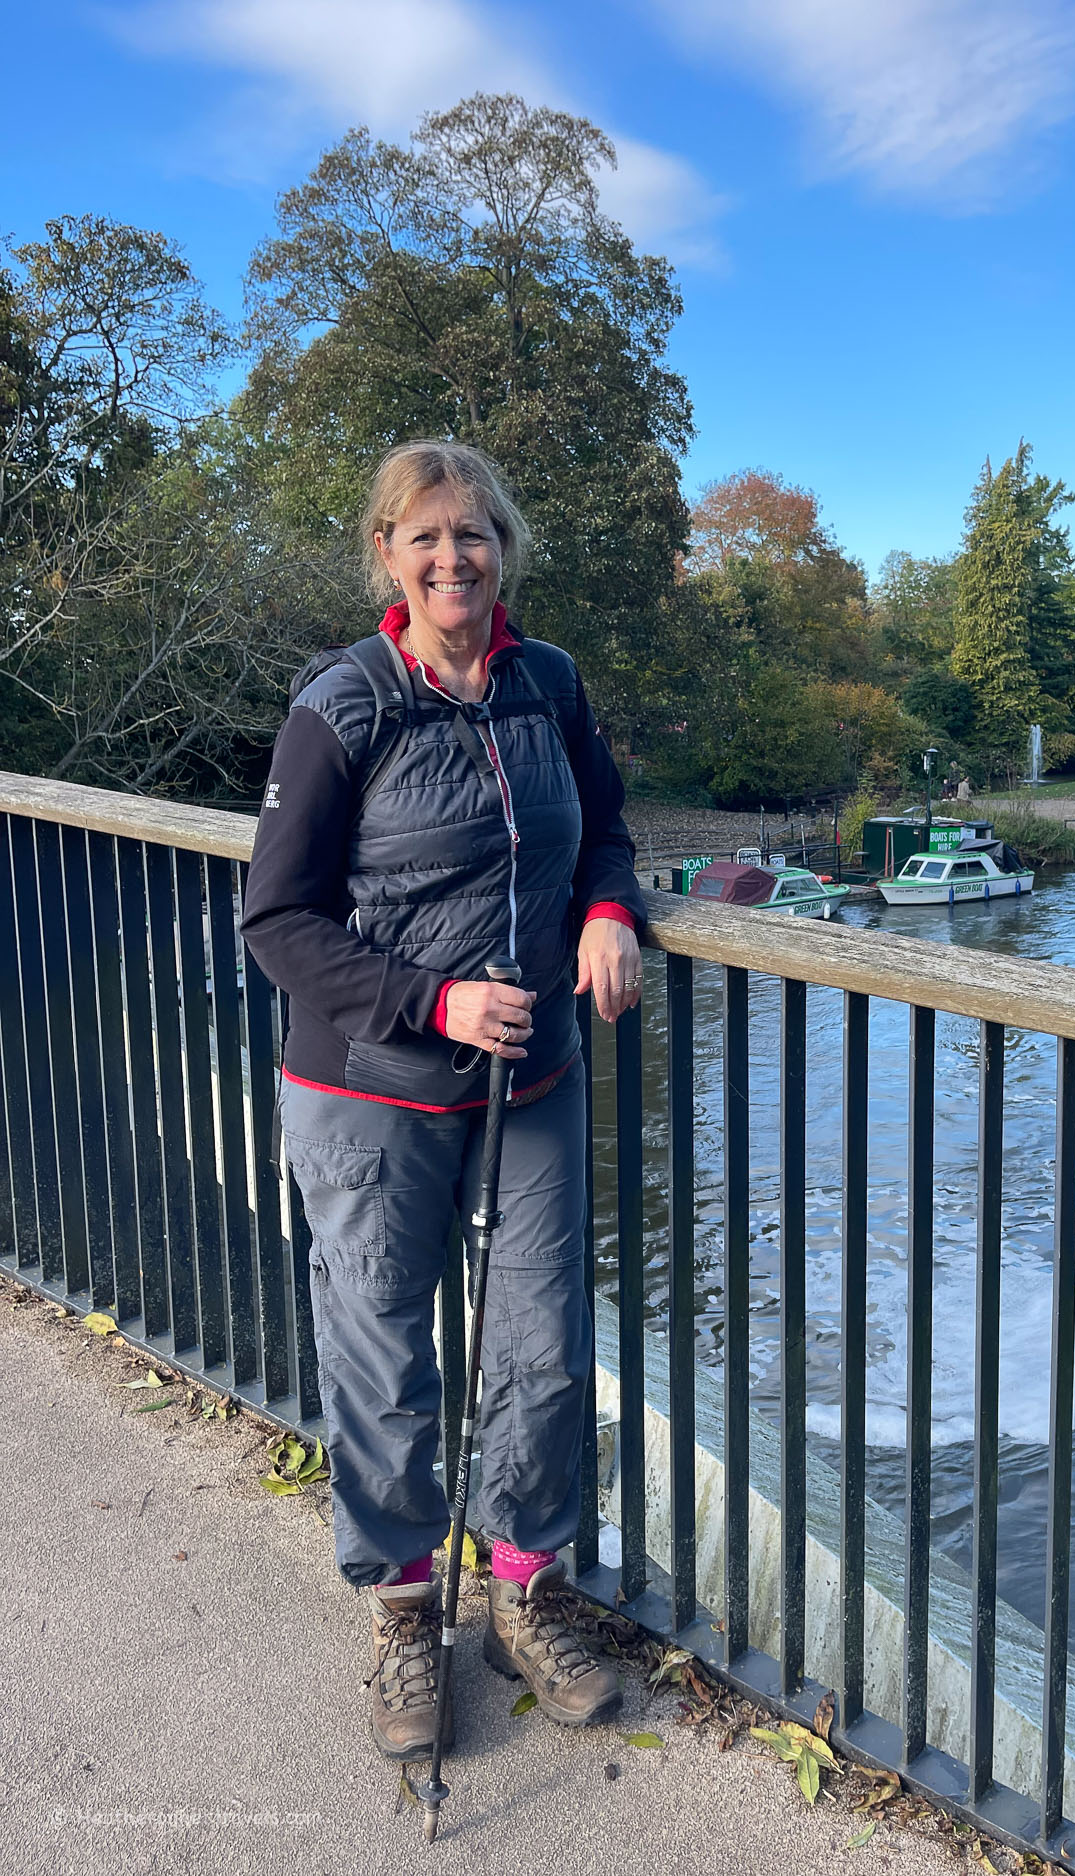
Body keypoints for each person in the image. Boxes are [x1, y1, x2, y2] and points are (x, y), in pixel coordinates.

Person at [241, 439, 645, 1759]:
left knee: (540, 1344)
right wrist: (434, 1000)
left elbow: (604, 827)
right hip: (369, 1089)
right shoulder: (343, 704)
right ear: (386, 556)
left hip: (531, 1082)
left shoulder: (549, 683)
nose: (451, 557)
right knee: (384, 1353)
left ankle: (526, 1593)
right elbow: (276, 921)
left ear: (501, 550)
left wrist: (604, 911)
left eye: (472, 534)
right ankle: (404, 1616)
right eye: (424, 537)